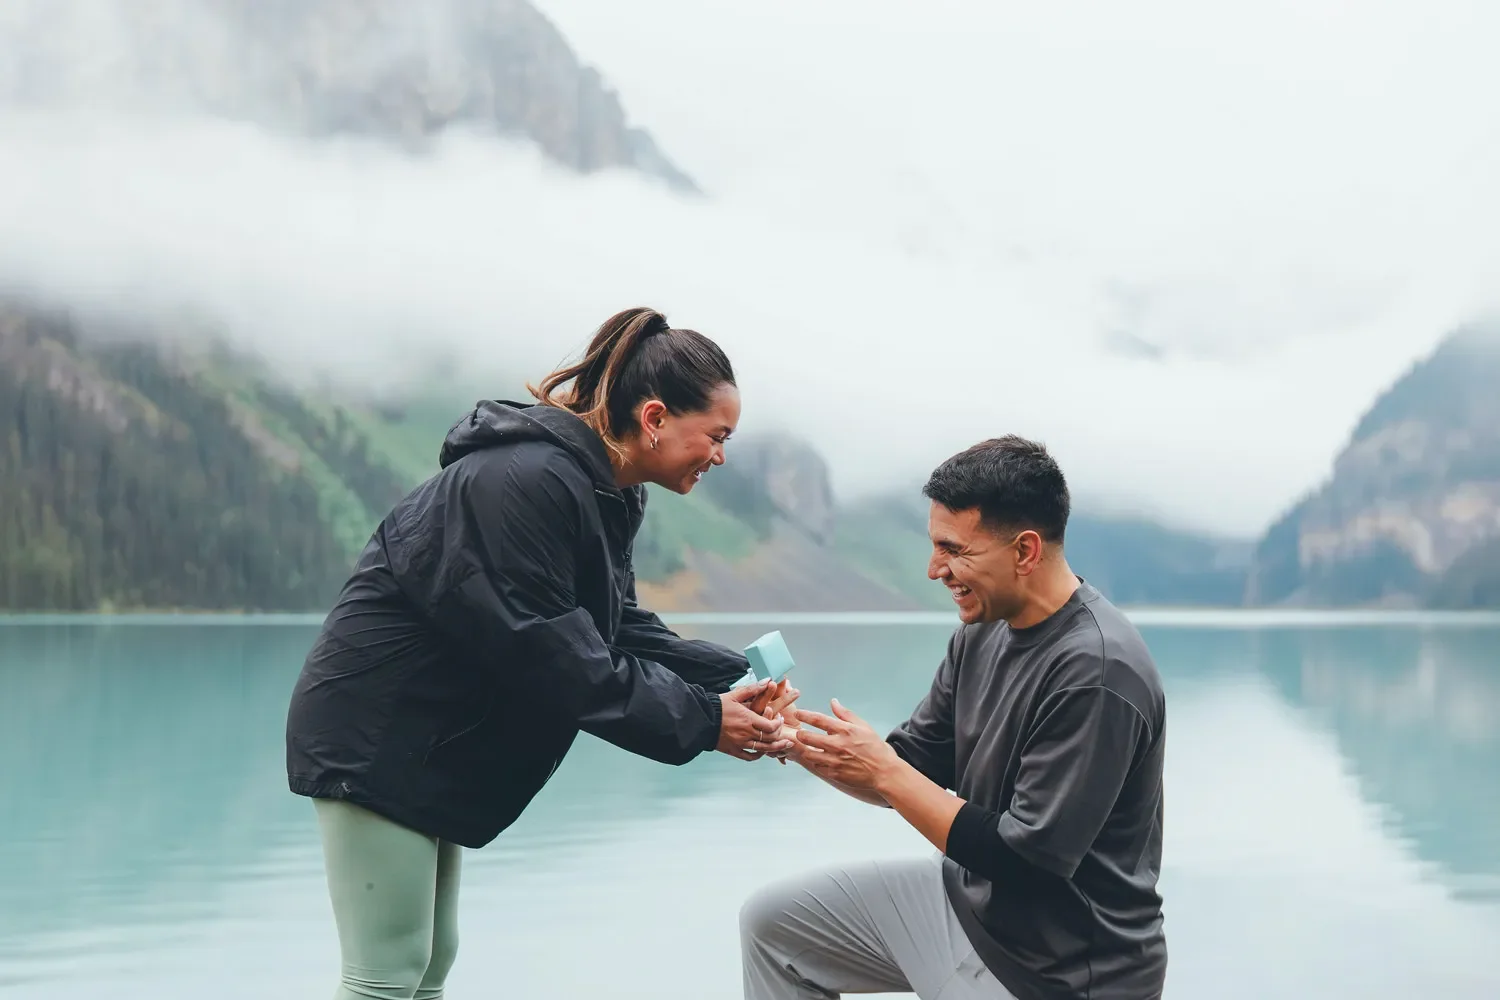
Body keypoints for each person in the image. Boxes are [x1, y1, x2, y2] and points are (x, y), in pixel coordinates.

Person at [285, 306, 798, 1000]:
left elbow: (612, 628)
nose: (720, 456)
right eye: (716, 436)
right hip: (378, 731)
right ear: (654, 418)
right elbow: (551, 654)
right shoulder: (525, 481)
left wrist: (736, 678)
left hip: (427, 732)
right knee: (386, 972)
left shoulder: (601, 489)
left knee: (427, 963)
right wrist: (706, 722)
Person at [740, 435, 1167, 1000]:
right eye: (934, 546)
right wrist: (793, 739)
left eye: (954, 550)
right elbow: (909, 765)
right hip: (970, 905)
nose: (933, 569)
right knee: (773, 927)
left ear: (1025, 552)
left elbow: (1026, 861)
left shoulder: (1097, 671)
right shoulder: (981, 630)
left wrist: (885, 771)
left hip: (1059, 972)